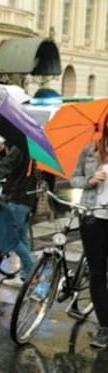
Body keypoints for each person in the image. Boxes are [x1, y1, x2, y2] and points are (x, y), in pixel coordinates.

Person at [71, 134, 108, 348]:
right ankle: (105, 326)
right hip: (92, 218)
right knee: (97, 273)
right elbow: (73, 178)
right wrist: (90, 180)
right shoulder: (91, 149)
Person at [0, 137, 36, 287]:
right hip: (28, 198)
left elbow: (3, 168)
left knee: (11, 237)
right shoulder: (32, 147)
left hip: (17, 197)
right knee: (22, 237)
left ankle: (31, 269)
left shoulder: (20, 147)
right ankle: (26, 274)